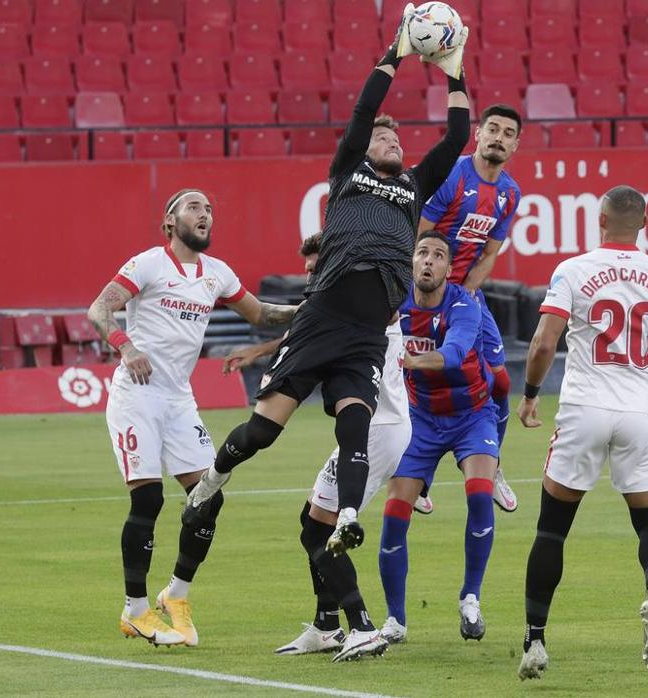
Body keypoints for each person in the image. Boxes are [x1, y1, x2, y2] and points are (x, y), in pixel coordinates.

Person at [183, 5, 471, 564]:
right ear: (364, 150)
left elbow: (458, 132)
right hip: (322, 317)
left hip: (367, 331)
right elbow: (366, 109)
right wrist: (396, 55)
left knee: (356, 427)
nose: (393, 143)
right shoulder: (348, 172)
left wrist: (454, 68)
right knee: (263, 432)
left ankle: (345, 518)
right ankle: (211, 481)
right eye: (384, 140)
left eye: (396, 140)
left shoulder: (414, 185)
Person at [87, 189, 298, 647]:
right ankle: (135, 610)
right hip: (136, 397)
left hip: (179, 401)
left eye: (209, 210)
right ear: (170, 221)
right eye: (195, 208)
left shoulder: (217, 274)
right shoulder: (146, 264)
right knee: (148, 502)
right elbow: (98, 309)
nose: (205, 214)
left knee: (208, 497)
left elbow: (261, 315)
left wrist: (314, 311)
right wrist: (126, 346)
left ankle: (176, 594)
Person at [514, 185, 648, 679]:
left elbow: (542, 343)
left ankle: (534, 640)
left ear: (599, 221)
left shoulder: (573, 270)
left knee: (552, 529)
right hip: (640, 412)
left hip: (583, 409)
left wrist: (531, 393)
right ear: (644, 224)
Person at [222, 234, 411, 662]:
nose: (309, 275)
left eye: (315, 267)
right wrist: (262, 350)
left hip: (378, 429)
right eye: (307, 269)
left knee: (317, 530)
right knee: (311, 520)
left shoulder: (372, 302)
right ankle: (327, 625)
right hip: (383, 426)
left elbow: (328, 332)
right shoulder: (338, 306)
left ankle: (361, 626)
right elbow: (312, 330)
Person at [378, 232, 501, 644]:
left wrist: (410, 359)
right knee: (394, 515)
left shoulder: (466, 304)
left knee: (480, 493)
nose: (428, 261)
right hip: (420, 420)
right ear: (412, 262)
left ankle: (471, 598)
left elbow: (453, 353)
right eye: (422, 253)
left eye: (438, 256)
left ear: (450, 268)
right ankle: (395, 620)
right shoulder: (395, 307)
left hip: (472, 415)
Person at [413, 103, 524, 517]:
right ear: (478, 133)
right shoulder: (453, 176)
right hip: (425, 293)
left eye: (507, 132)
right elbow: (421, 240)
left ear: (515, 144)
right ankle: (418, 477)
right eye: (492, 128)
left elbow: (490, 253)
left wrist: (462, 302)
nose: (498, 137)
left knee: (499, 384)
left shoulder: (510, 193)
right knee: (422, 380)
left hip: (466, 297)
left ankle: (491, 465)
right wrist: (435, 298)